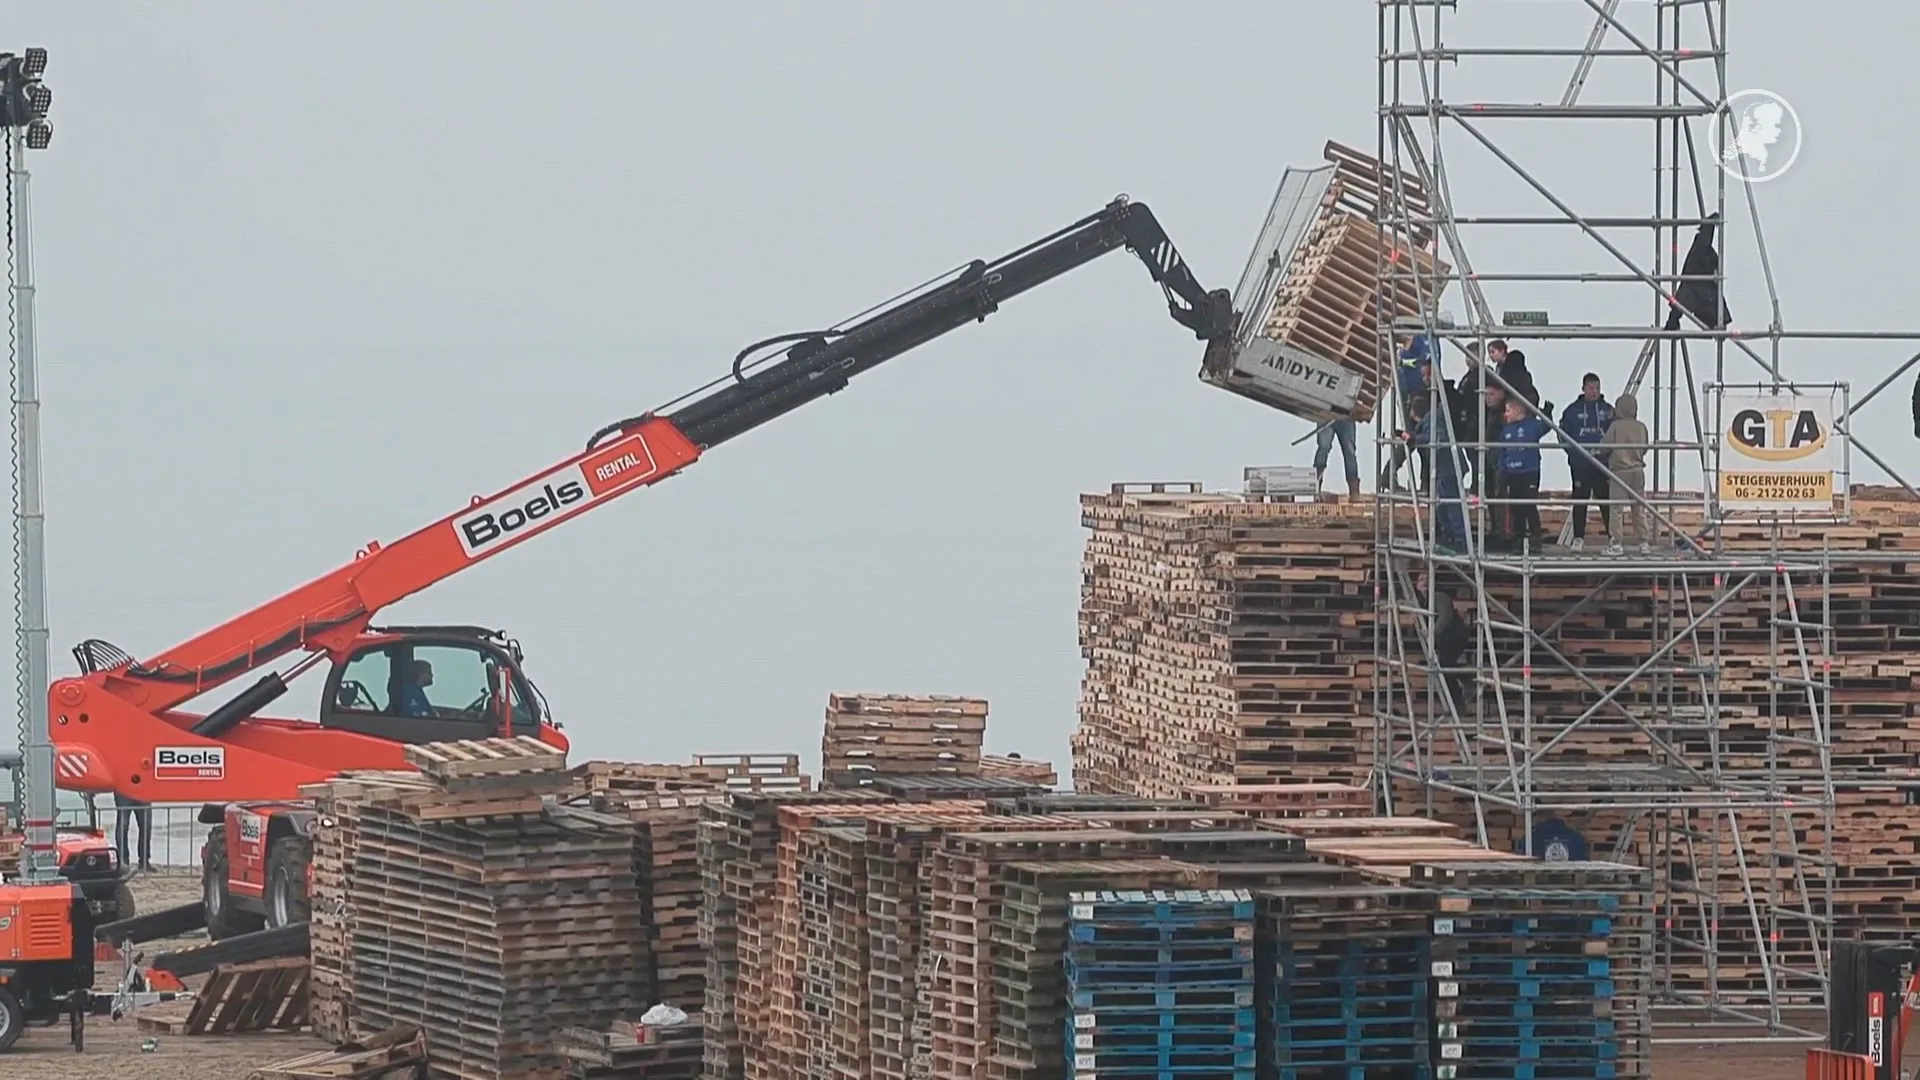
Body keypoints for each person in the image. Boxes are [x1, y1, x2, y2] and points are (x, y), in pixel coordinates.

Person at [1559, 373, 1616, 550]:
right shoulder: (1572, 411)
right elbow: (1562, 433)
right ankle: (1578, 538)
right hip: (1580, 464)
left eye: (1597, 388)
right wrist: (1572, 454)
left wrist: (1609, 455)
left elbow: (1615, 434)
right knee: (1580, 500)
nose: (1595, 392)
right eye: (1591, 388)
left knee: (1606, 501)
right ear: (1583, 388)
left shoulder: (1608, 410)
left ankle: (1613, 537)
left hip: (1601, 463)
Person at [1601, 392, 1650, 555]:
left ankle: (1616, 543)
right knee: (1638, 508)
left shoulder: (1616, 426)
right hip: (1638, 471)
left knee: (1616, 509)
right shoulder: (1641, 427)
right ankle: (1643, 542)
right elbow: (1645, 448)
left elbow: (1604, 446)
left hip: (1619, 471)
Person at [1498, 395, 1549, 550]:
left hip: (1529, 471)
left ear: (1518, 411)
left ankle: (1535, 537)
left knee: (1528, 505)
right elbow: (1502, 451)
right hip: (1513, 473)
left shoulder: (1531, 425)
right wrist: (1502, 469)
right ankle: (1519, 538)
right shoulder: (1506, 430)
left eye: (1508, 411)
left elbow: (1546, 427)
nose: (1505, 414)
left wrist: (1547, 414)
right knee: (1516, 507)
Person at [1313, 417, 1361, 501]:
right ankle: (1316, 488)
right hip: (1326, 414)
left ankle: (1354, 492)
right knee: (1324, 448)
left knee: (1349, 452)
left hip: (1346, 416)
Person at [114, 790, 153, 873]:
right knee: (123, 826)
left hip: (142, 789)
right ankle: (124, 861)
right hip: (124, 790)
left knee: (146, 826)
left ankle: (144, 861)